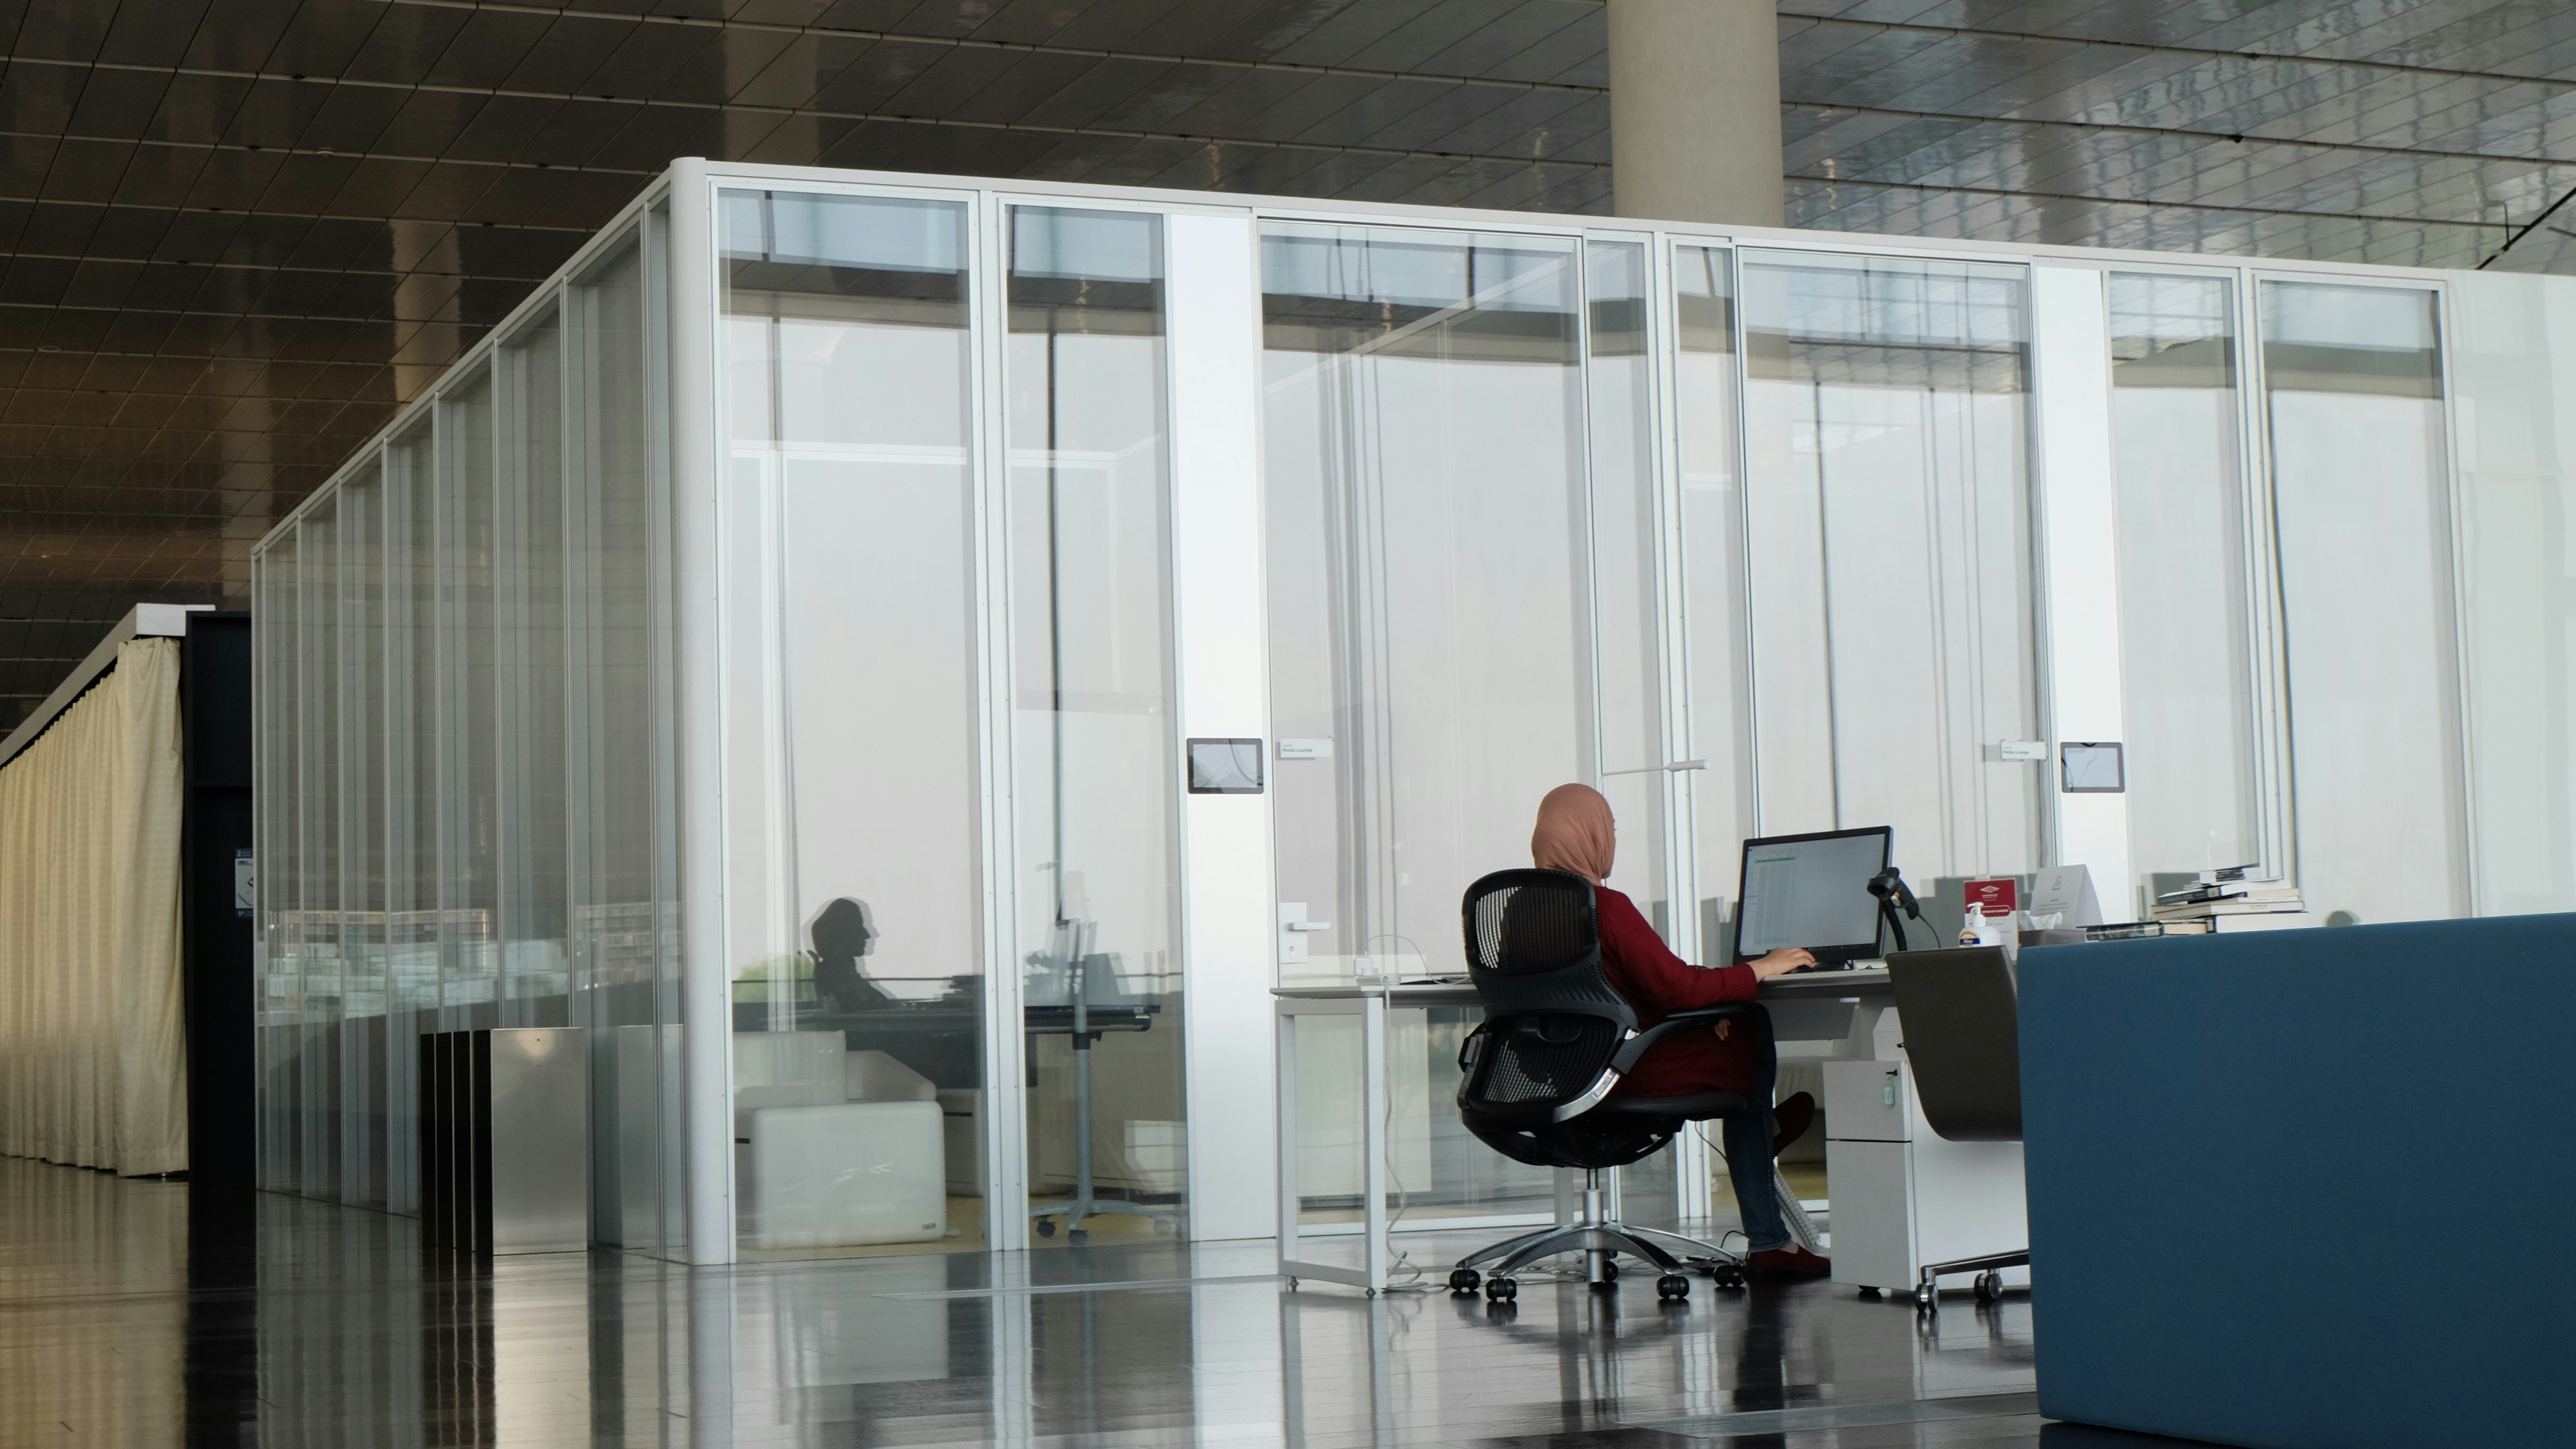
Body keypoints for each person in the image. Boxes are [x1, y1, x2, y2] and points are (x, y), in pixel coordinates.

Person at [1529, 783, 1832, 1277]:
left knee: (1731, 1029)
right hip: (1624, 1072)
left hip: (1556, 1074)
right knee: (1752, 1029)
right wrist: (1761, 969)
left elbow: (1611, 992)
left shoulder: (1519, 914)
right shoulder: (1606, 909)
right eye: (1610, 829)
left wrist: (1710, 1007)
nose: (1613, 840)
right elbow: (1677, 989)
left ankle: (1760, 1141)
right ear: (1590, 836)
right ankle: (1767, 1234)